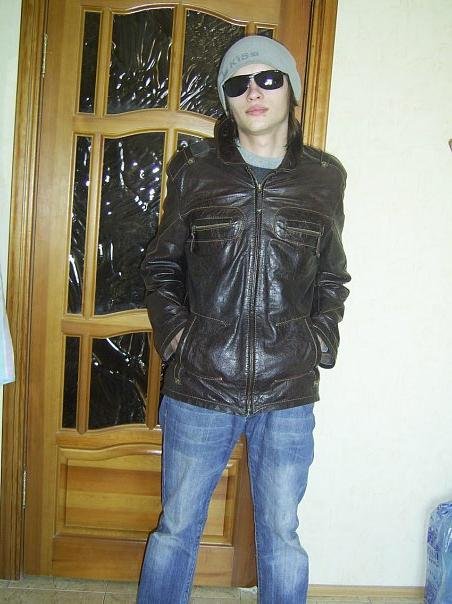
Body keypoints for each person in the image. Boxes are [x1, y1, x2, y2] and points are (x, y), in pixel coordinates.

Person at [137, 35, 350, 604]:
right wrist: (180, 340)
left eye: (268, 79)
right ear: (227, 101)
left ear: (291, 92)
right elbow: (161, 267)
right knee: (176, 529)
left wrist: (317, 341)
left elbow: (332, 276)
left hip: (288, 388)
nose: (253, 91)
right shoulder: (196, 172)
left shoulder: (325, 178)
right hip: (200, 384)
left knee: (282, 536)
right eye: (238, 84)